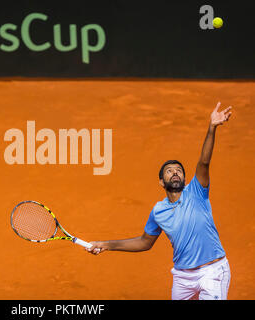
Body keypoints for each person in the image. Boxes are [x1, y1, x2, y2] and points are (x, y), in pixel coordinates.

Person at [87, 102, 233, 300]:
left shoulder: (197, 191)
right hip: (182, 277)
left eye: (179, 170)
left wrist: (211, 127)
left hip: (213, 272)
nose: (175, 172)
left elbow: (204, 162)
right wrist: (107, 244)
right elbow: (144, 242)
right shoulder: (158, 211)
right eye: (169, 171)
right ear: (161, 182)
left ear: (184, 178)